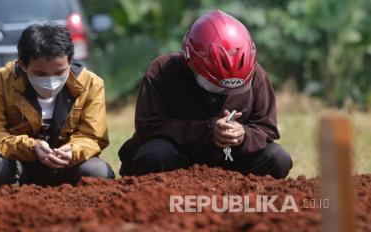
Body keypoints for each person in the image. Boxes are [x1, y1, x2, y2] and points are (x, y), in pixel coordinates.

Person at [118, 10, 292, 179]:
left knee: (278, 158)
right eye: (213, 85)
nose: (224, 92)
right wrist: (208, 131)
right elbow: (148, 126)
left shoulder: (256, 75)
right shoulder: (162, 71)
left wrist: (243, 135)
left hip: (233, 160)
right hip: (179, 157)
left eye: (234, 89)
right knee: (154, 155)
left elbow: (267, 128)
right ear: (190, 60)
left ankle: (248, 203)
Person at [0, 23, 114, 193]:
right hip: (17, 164)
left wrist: (72, 152)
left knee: (98, 172)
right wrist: (31, 147)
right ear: (22, 64)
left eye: (59, 73)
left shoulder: (91, 84)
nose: (51, 82)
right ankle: (5, 212)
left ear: (70, 61)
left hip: (67, 165)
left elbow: (93, 136)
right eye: (40, 74)